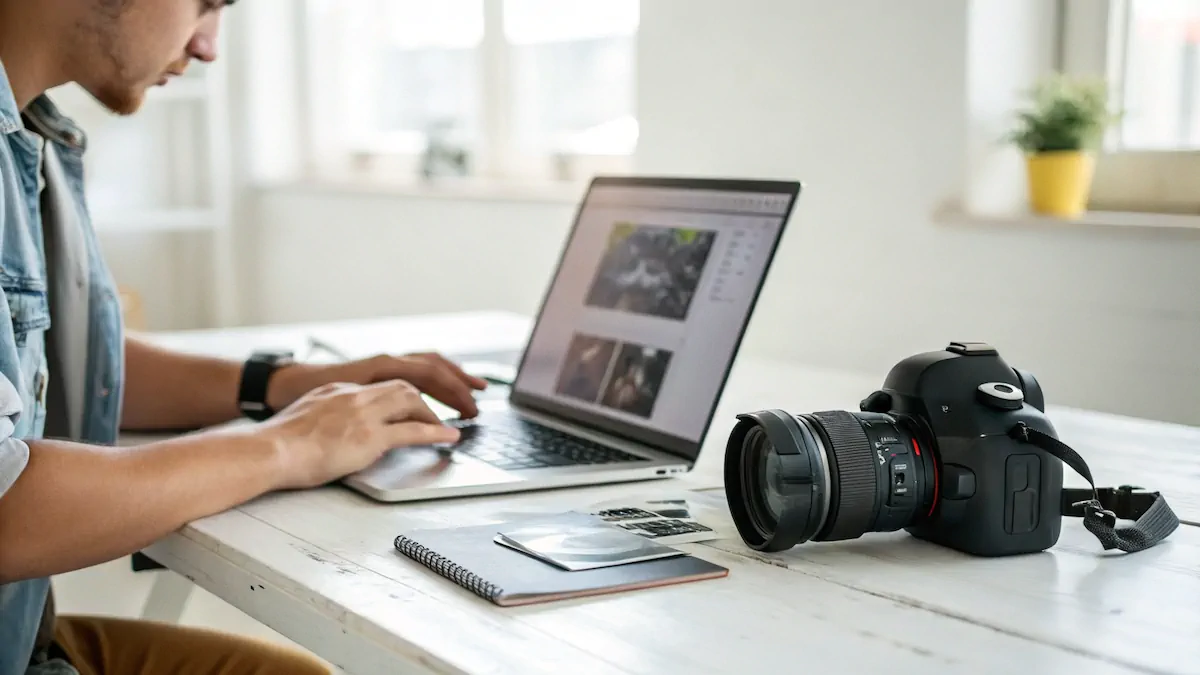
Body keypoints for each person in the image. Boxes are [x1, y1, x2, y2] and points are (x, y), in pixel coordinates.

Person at [0, 2, 488, 673]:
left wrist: (283, 386)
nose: (207, 47)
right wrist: (286, 445)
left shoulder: (27, 133)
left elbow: (69, 364)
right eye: (206, 4)